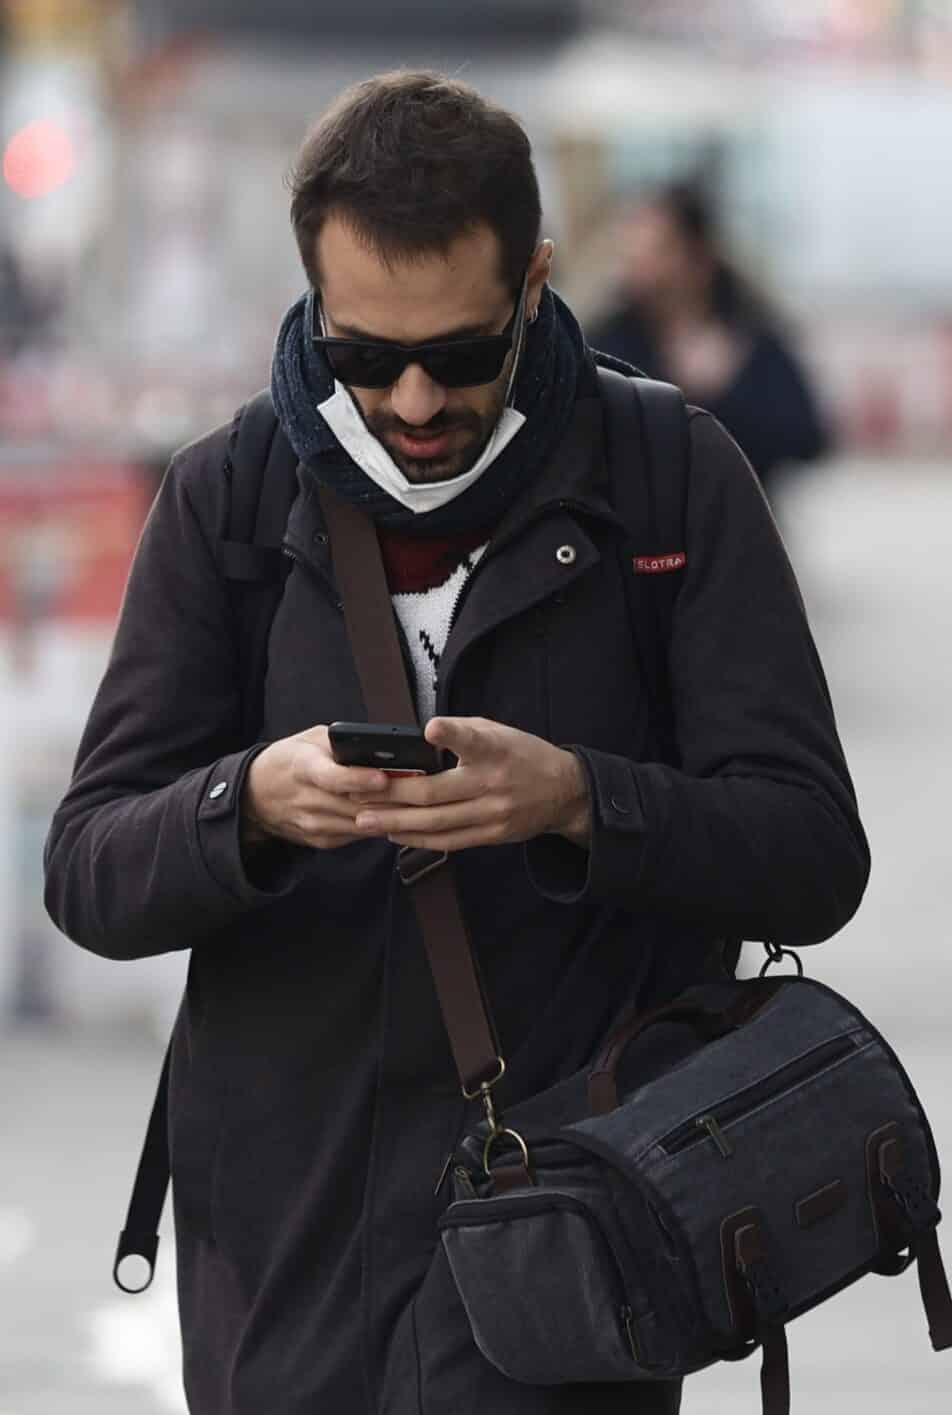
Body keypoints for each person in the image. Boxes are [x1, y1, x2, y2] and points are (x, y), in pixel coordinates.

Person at [43, 72, 867, 1415]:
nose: (413, 396)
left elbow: (812, 854)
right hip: (286, 1244)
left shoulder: (668, 476)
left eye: (460, 351)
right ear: (310, 297)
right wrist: (248, 801)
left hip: (573, 1229)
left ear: (534, 283)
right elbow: (86, 870)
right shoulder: (228, 498)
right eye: (364, 353)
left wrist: (579, 800)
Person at [589, 183, 830, 504]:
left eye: (658, 251)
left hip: (737, 532)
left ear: (698, 255)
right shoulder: (605, 344)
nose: (640, 267)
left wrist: (725, 392)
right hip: (634, 539)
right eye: (632, 251)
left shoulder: (751, 335)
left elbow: (808, 437)